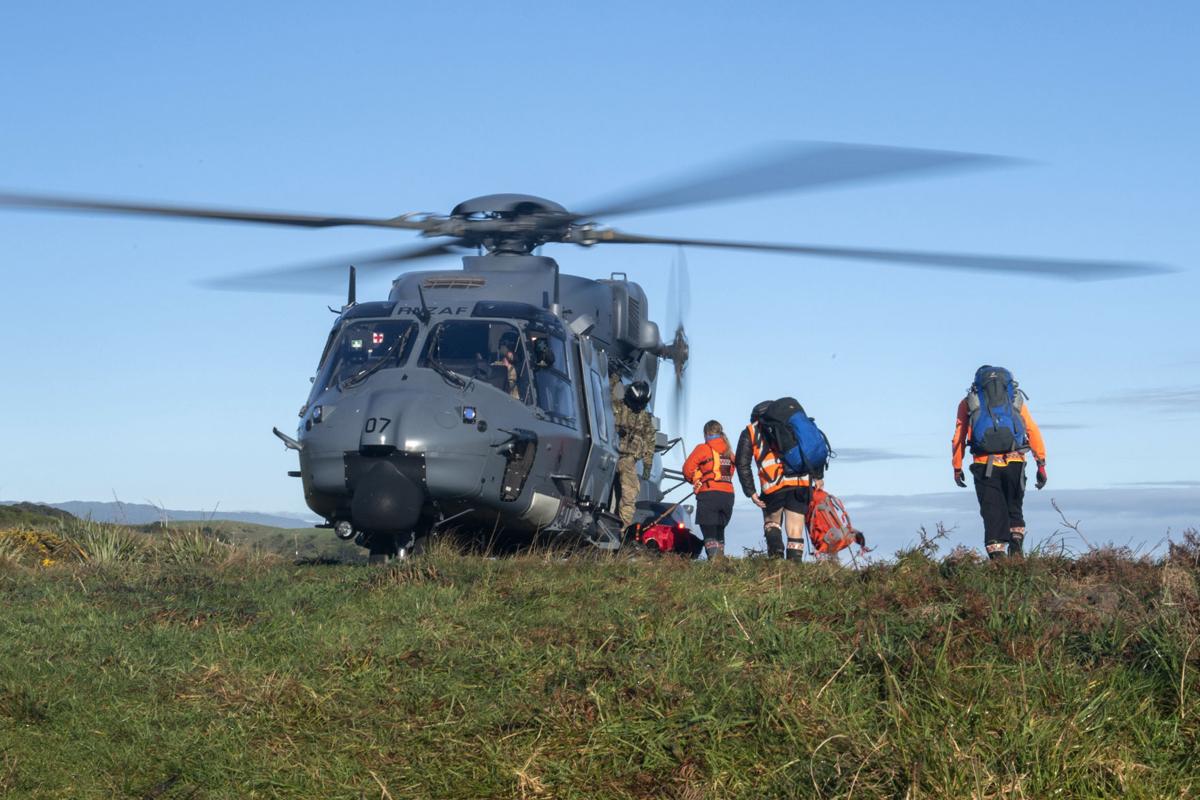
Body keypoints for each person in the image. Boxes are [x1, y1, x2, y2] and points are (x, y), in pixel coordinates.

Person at [952, 365, 1047, 559]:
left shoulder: (969, 402)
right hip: (1015, 460)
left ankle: (999, 563)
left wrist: (957, 467)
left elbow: (958, 436)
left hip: (984, 463)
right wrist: (1041, 463)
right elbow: (1032, 430)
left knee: (992, 512)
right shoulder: (1014, 400)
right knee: (1014, 507)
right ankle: (1017, 550)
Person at [735, 400, 822, 560]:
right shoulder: (791, 426)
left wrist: (751, 492)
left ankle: (777, 562)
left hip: (773, 484)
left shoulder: (751, 430)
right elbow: (811, 448)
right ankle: (794, 570)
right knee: (795, 529)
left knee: (772, 523)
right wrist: (818, 476)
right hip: (800, 482)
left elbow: (742, 463)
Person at [683, 420, 736, 559]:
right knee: (719, 529)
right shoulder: (729, 452)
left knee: (709, 530)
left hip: (709, 494)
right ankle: (720, 560)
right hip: (728, 496)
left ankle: (714, 562)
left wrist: (695, 480)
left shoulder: (703, 448)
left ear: (706, 434)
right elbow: (730, 472)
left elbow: (687, 469)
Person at [612, 377, 656, 531]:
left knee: (630, 496)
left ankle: (621, 529)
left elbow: (650, 442)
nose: (637, 407)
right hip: (610, 453)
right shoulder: (616, 406)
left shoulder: (646, 419)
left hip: (628, 460)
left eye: (641, 404)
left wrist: (647, 465)